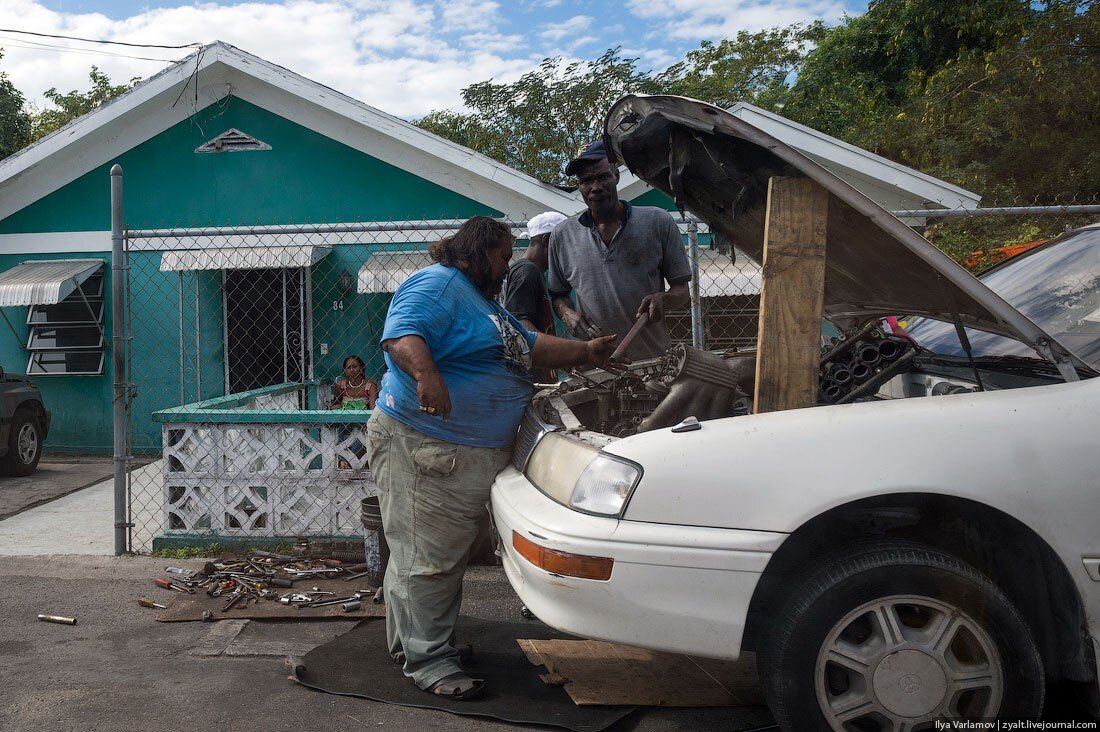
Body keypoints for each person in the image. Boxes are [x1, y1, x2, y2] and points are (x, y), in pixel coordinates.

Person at [366, 216, 617, 701]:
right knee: (429, 561)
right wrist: (428, 377)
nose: (509, 266)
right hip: (425, 444)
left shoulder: (485, 305)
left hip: (452, 450)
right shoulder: (437, 284)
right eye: (503, 256)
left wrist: (586, 350)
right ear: (476, 251)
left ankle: (412, 646)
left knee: (420, 553)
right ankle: (431, 662)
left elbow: (533, 347)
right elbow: (402, 335)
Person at [549, 139, 692, 361]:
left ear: (616, 175)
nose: (595, 187)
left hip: (652, 362)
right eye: (586, 181)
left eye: (602, 177)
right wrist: (568, 315)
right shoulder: (562, 235)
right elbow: (558, 295)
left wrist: (663, 299)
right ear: (579, 186)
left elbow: (682, 291)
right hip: (596, 364)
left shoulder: (657, 221)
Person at [503, 211, 567, 382]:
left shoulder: (533, 272)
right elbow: (519, 323)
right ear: (547, 241)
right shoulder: (527, 271)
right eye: (563, 243)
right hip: (530, 379)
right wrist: (563, 354)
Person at [330, 355, 379, 469]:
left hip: (362, 422)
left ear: (361, 368)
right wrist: (339, 409)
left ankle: (349, 462)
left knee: (360, 436)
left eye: (354, 366)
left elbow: (372, 410)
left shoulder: (369, 386)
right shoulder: (340, 385)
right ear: (345, 370)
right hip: (344, 421)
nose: (351, 370)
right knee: (338, 433)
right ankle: (343, 461)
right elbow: (335, 403)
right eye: (348, 368)